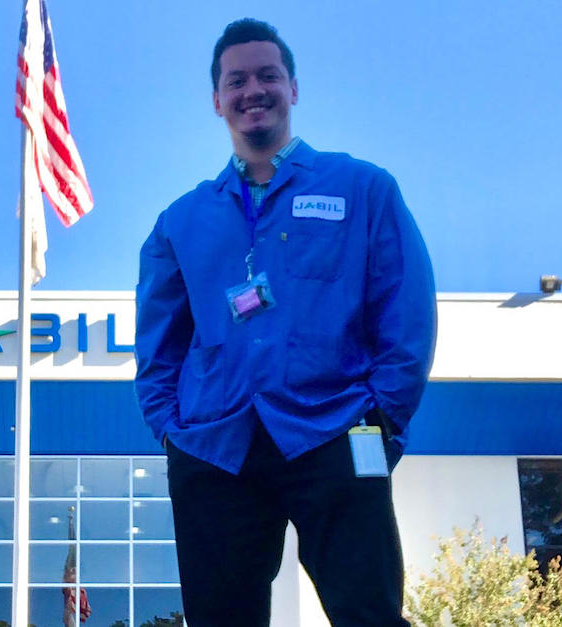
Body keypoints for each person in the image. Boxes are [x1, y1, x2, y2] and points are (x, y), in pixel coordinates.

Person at [134, 18, 437, 627]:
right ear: (217, 99)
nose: (253, 90)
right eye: (236, 79)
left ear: (293, 88)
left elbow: (405, 313)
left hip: (339, 429)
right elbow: (159, 345)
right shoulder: (180, 220)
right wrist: (173, 432)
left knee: (371, 614)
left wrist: (381, 421)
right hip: (214, 447)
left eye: (268, 75)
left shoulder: (363, 189)